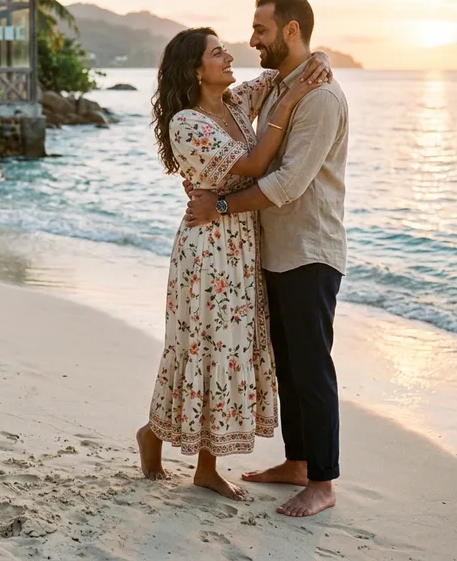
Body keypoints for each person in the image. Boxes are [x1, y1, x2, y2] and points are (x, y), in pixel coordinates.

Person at [136, 26, 331, 500]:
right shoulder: (186, 122)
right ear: (194, 69)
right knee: (200, 350)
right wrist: (286, 108)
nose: (228, 56)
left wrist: (319, 54)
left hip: (242, 246)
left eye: (224, 49)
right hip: (206, 250)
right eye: (216, 52)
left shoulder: (236, 103)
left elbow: (284, 71)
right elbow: (253, 165)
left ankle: (198, 462)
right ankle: (159, 438)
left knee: (226, 353)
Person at [185, 0, 349, 518]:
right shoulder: (281, 86)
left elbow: (287, 183)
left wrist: (221, 204)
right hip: (275, 251)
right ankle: (298, 462)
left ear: (291, 31)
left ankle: (322, 481)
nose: (251, 39)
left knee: (312, 367)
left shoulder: (320, 97)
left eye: (260, 30)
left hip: (310, 250)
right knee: (288, 364)